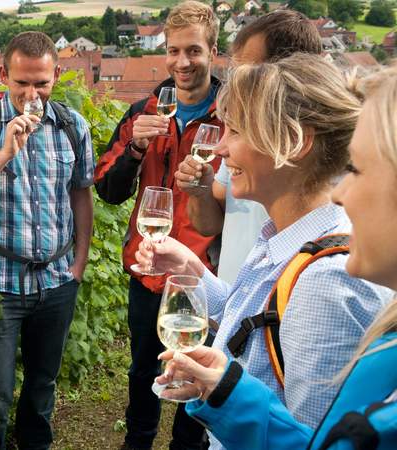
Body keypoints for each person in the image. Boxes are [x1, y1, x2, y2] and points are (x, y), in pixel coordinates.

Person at [135, 54, 393, 450]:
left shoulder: (325, 282)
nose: (220, 147)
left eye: (235, 130)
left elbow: (314, 440)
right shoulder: (285, 237)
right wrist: (192, 267)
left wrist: (225, 394)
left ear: (294, 142)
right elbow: (256, 321)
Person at [0, 31, 94, 449]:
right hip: (1, 285)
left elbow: (81, 193)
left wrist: (79, 265)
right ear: (3, 75)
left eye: (41, 83)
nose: (32, 93)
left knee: (42, 384)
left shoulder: (71, 124)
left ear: (56, 76)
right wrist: (5, 153)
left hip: (56, 281)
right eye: (22, 83)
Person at [94, 2, 222, 448]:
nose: (182, 62)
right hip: (148, 270)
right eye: (173, 51)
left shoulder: (231, 118)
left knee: (199, 374)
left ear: (213, 50)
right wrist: (133, 149)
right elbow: (108, 192)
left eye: (193, 51)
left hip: (206, 277)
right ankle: (138, 441)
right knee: (143, 370)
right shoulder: (142, 111)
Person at [176, 9, 322, 284]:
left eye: (247, 72)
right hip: (235, 307)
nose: (237, 82)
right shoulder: (242, 147)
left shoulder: (327, 168)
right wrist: (199, 192)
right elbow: (211, 224)